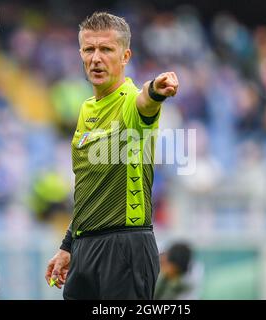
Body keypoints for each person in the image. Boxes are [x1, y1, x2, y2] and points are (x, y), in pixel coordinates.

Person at [44, 11, 179, 300]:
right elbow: (88, 189)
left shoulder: (130, 101)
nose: (96, 58)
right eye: (89, 49)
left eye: (106, 49)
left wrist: (157, 89)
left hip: (126, 247)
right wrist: (68, 245)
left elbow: (146, 99)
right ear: (80, 53)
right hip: (85, 248)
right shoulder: (86, 110)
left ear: (125, 56)